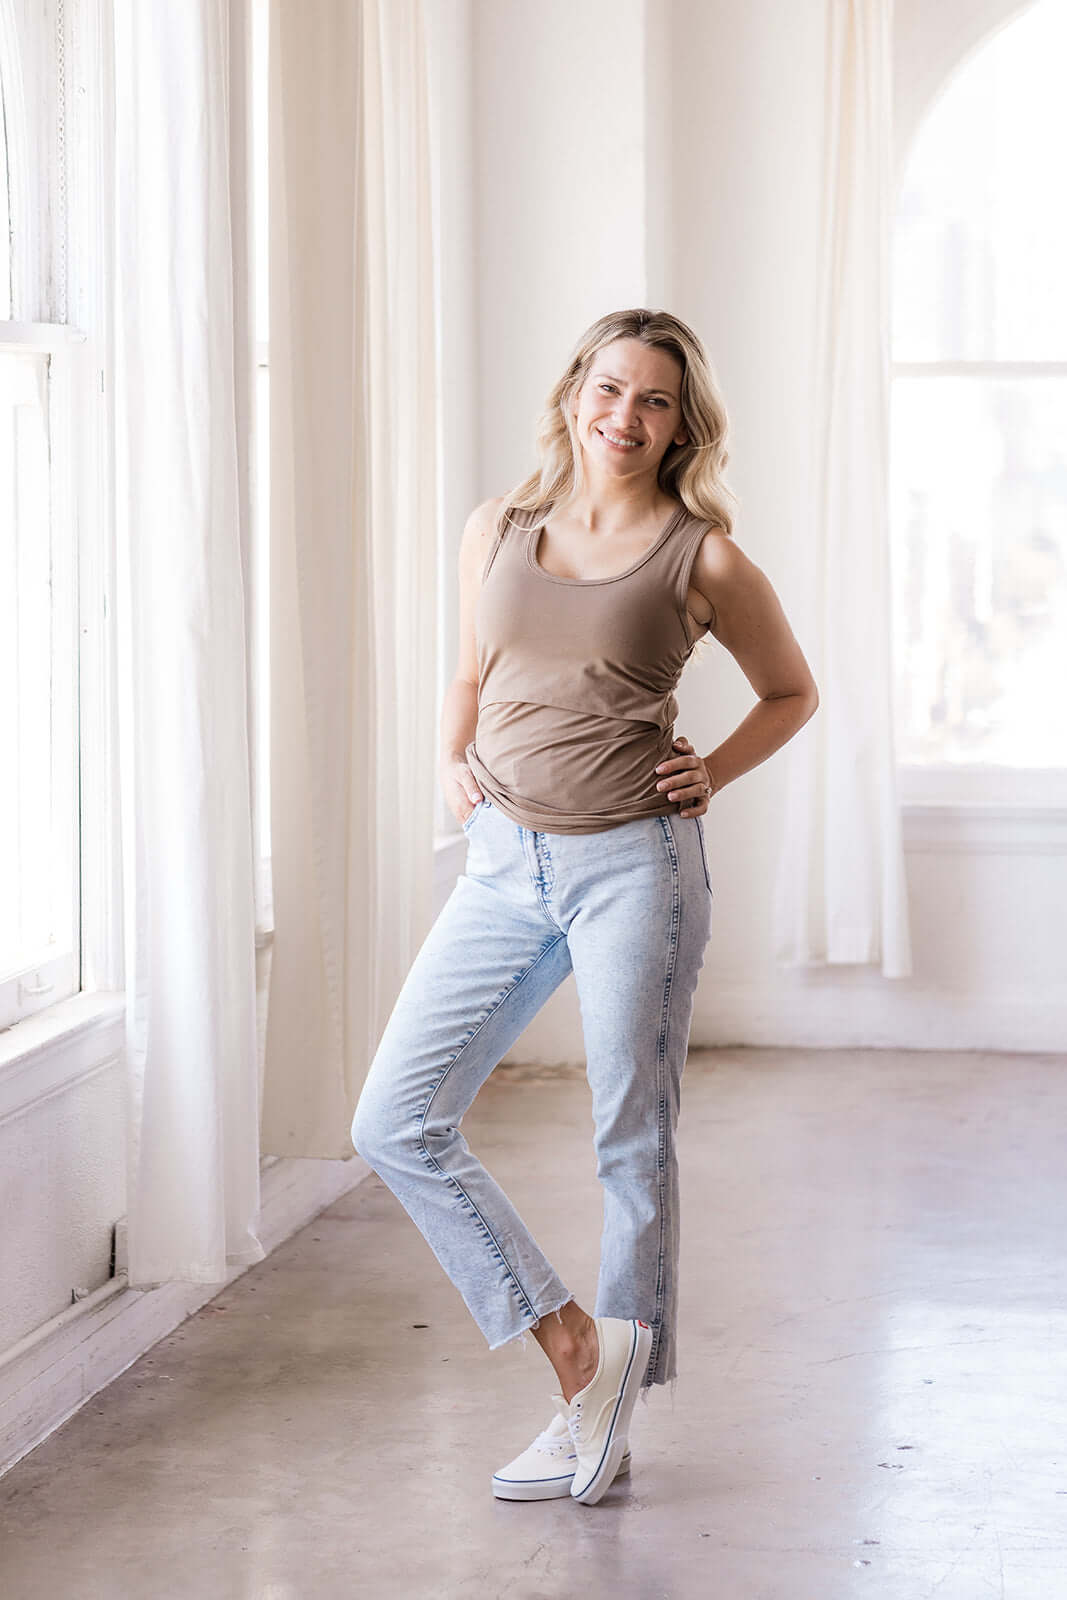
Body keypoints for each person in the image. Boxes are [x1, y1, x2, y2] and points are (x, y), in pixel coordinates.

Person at [351, 307, 818, 1506]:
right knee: (393, 1119)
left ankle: (605, 1407)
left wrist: (711, 770)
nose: (625, 416)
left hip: (634, 869)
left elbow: (789, 691)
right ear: (573, 393)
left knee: (629, 1138)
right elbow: (470, 671)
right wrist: (448, 761)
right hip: (502, 862)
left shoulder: (701, 558)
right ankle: (573, 1348)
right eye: (609, 388)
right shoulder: (497, 528)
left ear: (680, 426)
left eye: (654, 400)